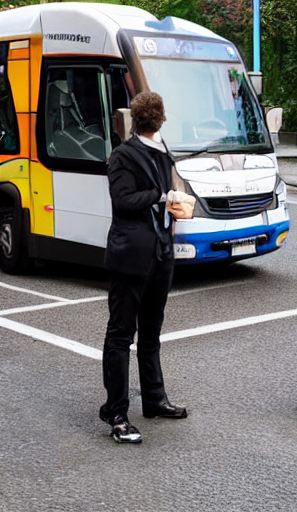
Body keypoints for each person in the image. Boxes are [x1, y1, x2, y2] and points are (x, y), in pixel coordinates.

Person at [100, 91, 187, 444]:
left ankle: (154, 400)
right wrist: (160, 196)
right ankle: (117, 414)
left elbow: (166, 194)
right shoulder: (123, 155)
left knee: (151, 333)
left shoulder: (163, 152)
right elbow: (122, 201)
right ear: (159, 118)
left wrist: (176, 201)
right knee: (121, 335)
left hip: (161, 253)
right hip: (131, 256)